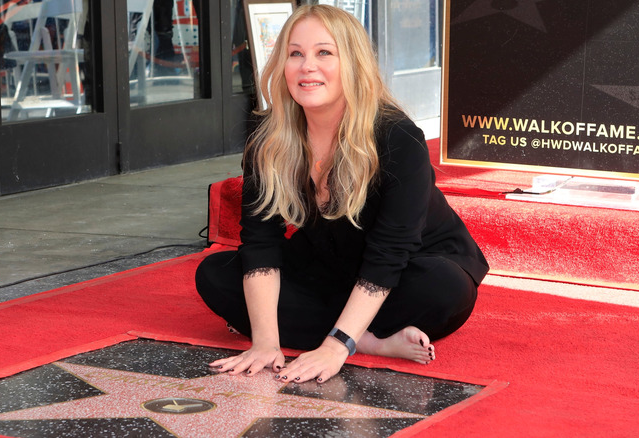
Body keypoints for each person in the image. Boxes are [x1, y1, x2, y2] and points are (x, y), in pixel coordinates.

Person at [195, 5, 489, 384]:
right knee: (214, 275)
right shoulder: (268, 140)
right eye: (295, 53)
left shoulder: (397, 137)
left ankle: (338, 335)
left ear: (352, 63)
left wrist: (335, 349)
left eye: (324, 53)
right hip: (331, 262)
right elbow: (260, 241)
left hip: (412, 265)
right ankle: (367, 339)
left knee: (444, 287)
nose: (307, 66)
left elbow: (391, 251)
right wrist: (265, 342)